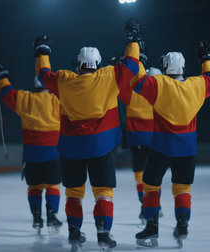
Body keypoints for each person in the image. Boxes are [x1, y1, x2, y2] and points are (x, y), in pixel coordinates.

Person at [33, 19, 141, 251]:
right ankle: (103, 234)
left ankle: (74, 232)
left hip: (71, 148)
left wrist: (42, 51)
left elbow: (43, 74)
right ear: (98, 63)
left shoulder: (64, 80)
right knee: (103, 192)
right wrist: (132, 38)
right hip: (100, 146)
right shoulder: (109, 75)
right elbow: (132, 64)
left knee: (74, 192)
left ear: (79, 65)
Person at [126, 41, 210, 247]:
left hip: (161, 148)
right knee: (182, 188)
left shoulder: (159, 84)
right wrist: (206, 58)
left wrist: (140, 58)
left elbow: (137, 81)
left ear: (166, 68)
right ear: (182, 68)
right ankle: (182, 225)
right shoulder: (196, 85)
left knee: (150, 186)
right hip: (187, 149)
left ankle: (151, 226)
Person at [0, 63, 63, 235]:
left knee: (34, 186)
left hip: (31, 155)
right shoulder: (57, 101)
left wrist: (1, 77)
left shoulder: (25, 99)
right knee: (53, 185)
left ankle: (37, 218)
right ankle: (52, 216)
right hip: (53, 153)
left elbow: (8, 95)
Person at [124, 45, 162, 224]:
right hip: (155, 136)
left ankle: (144, 204)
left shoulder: (133, 90)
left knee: (139, 173)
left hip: (137, 136)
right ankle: (155, 204)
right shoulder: (161, 93)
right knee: (154, 173)